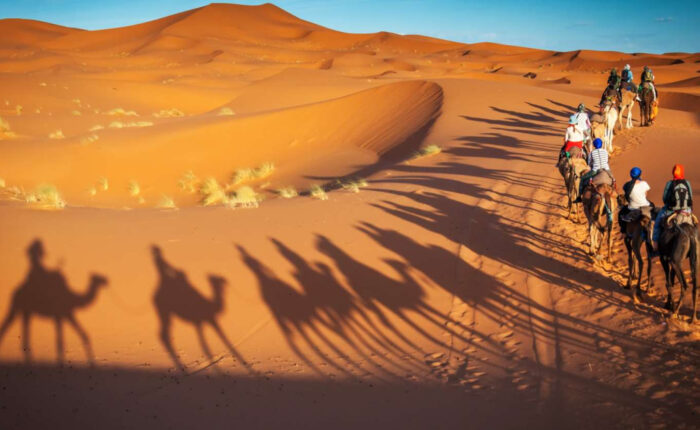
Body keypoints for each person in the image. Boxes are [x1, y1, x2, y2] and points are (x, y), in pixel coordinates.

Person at [652, 164, 693, 251]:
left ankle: (655, 244)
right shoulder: (687, 182)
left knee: (657, 223)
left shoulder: (670, 183)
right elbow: (691, 197)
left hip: (671, 210)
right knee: (694, 224)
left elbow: (664, 198)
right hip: (686, 211)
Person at [619, 167, 653, 233]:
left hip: (632, 207)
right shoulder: (644, 184)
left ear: (630, 175)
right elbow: (646, 194)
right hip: (645, 206)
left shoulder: (626, 185)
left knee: (621, 213)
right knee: (653, 207)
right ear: (640, 175)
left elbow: (626, 194)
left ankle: (623, 230)